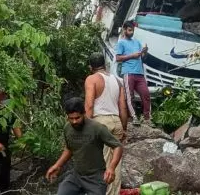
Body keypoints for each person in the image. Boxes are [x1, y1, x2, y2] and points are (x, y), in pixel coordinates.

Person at [46, 97, 123, 195]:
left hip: (95, 178)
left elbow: (118, 146)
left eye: (77, 118)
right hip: (76, 176)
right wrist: (57, 165)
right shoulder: (67, 128)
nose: (74, 121)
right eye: (71, 118)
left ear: (84, 113)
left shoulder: (97, 128)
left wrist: (111, 168)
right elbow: (69, 148)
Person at [84, 52, 128, 195]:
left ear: (91, 67)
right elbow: (123, 107)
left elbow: (89, 106)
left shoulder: (92, 79)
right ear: (105, 64)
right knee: (114, 165)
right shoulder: (117, 80)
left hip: (100, 122)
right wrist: (124, 128)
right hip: (116, 122)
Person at [116, 20, 152, 126]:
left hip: (139, 73)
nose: (131, 32)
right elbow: (118, 58)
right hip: (128, 72)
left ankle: (147, 117)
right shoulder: (121, 42)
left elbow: (143, 57)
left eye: (133, 30)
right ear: (124, 30)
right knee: (129, 96)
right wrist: (132, 56)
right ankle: (133, 117)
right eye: (129, 30)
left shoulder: (137, 42)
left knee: (146, 94)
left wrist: (144, 52)